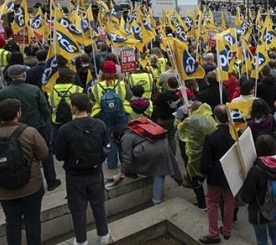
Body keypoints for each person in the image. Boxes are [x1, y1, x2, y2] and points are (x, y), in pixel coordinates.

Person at [0, 99, 49, 245]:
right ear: (18, 113)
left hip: (4, 190)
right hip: (31, 186)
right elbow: (44, 153)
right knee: (32, 221)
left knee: (11, 222)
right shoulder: (29, 132)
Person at [54, 93, 111, 245]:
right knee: (98, 203)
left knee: (78, 208)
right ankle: (104, 234)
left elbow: (59, 154)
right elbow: (106, 146)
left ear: (74, 107)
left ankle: (81, 240)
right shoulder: (100, 124)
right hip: (95, 171)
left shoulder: (65, 129)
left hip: (74, 175)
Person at [0, 64, 60, 190]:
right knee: (45, 153)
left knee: (21, 154)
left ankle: (25, 181)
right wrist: (47, 119)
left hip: (15, 128)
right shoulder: (34, 89)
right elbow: (45, 108)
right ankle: (51, 180)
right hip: (38, 126)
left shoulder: (3, 92)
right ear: (24, 75)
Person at [109, 123, 182, 206]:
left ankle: (157, 201)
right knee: (159, 174)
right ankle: (159, 199)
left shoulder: (125, 138)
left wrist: (119, 174)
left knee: (157, 173)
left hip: (153, 151)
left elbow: (127, 159)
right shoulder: (132, 131)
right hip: (161, 147)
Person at [199, 105, 236, 244]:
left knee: (212, 203)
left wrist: (201, 176)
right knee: (229, 201)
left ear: (215, 117)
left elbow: (205, 159)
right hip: (231, 174)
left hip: (215, 176)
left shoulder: (211, 136)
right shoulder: (235, 133)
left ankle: (213, 234)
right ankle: (227, 230)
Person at [239, 135, 276, 245]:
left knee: (261, 239)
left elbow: (246, 197)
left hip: (259, 212)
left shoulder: (255, 170)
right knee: (275, 234)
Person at [90, 61, 132, 169]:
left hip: (104, 116)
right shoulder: (122, 84)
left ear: (102, 73)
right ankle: (125, 162)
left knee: (109, 139)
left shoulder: (96, 86)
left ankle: (112, 163)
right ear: (115, 72)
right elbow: (129, 96)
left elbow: (92, 99)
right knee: (123, 138)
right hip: (122, 115)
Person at [178, 102, 216, 210]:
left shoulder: (190, 120)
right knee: (210, 177)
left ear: (192, 110)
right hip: (209, 152)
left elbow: (181, 130)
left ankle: (202, 203)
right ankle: (213, 200)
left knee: (195, 178)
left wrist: (178, 122)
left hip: (194, 154)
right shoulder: (210, 118)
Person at [151, 76, 181, 154]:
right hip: (174, 119)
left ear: (167, 84)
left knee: (161, 138)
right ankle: (172, 154)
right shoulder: (179, 95)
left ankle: (163, 154)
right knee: (172, 137)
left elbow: (155, 102)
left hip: (163, 119)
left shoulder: (163, 95)